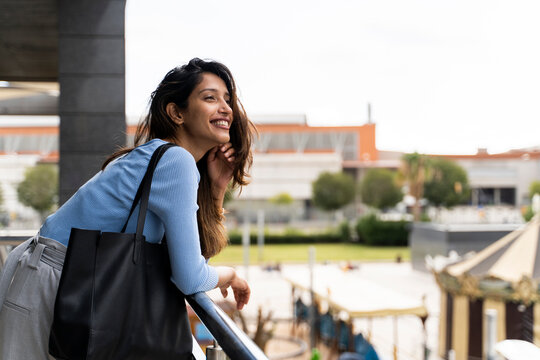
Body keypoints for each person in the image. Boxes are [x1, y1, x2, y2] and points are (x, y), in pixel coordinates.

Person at [0, 58, 256, 359]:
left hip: (63, 277)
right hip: (53, 277)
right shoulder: (176, 161)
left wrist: (216, 189)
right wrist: (232, 275)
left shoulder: (163, 159)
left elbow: (193, 256)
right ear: (176, 112)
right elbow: (190, 277)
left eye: (227, 99)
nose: (225, 108)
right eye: (210, 97)